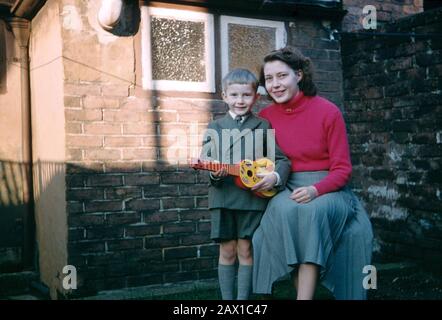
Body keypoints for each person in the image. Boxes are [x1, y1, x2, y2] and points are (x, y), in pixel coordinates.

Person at [251, 46, 373, 300]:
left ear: (299, 75)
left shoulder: (328, 112)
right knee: (286, 210)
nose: (275, 84)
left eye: (281, 76)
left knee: (310, 211)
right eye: (269, 79)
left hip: (329, 188)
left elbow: (343, 170)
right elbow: (260, 162)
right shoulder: (264, 118)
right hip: (286, 186)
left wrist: (316, 190)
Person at [200, 68, 291, 300]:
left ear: (255, 97)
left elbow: (281, 160)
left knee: (246, 250)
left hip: (251, 198)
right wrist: (215, 174)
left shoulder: (262, 126)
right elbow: (206, 162)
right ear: (224, 96)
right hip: (223, 198)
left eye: (246, 95)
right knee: (227, 251)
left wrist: (274, 177)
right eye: (234, 95)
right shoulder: (215, 127)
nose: (240, 101)